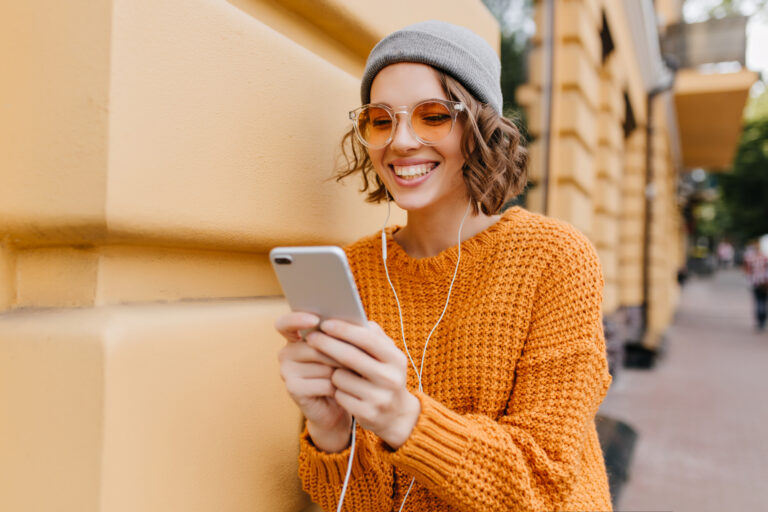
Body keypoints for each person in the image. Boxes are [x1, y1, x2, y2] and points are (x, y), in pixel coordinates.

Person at [274, 20, 613, 511]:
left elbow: (544, 483)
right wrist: (330, 431)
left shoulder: (554, 258)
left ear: (481, 127)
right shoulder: (354, 270)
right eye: (381, 119)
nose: (403, 141)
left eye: (433, 115)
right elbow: (353, 503)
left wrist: (403, 420)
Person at [743, 240, 768, 330]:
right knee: (764, 301)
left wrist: (749, 281)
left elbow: (748, 271)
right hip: (765, 283)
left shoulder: (750, 258)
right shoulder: (765, 258)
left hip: (755, 283)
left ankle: (760, 320)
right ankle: (763, 320)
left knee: (758, 301)